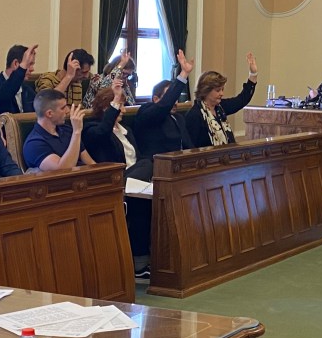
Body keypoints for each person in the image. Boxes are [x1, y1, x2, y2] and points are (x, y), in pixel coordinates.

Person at [82, 79, 151, 279]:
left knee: (148, 166)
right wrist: (114, 101)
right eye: (120, 105)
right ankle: (139, 264)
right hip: (114, 181)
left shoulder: (126, 130)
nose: (124, 110)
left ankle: (147, 261)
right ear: (107, 107)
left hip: (136, 180)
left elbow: (137, 157)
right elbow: (102, 133)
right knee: (147, 166)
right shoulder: (92, 128)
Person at [132, 49, 195, 178]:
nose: (175, 102)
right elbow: (164, 105)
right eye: (171, 98)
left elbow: (189, 146)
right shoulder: (146, 112)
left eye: (176, 99)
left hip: (182, 168)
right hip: (157, 169)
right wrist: (183, 74)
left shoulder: (178, 118)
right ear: (155, 99)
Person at [186, 53, 259, 148]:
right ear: (205, 91)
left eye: (222, 89)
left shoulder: (220, 107)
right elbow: (191, 148)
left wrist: (253, 74)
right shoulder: (194, 115)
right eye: (217, 90)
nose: (221, 93)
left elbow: (242, 99)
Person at [22, 89, 91, 171]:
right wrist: (76, 132)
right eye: (63, 108)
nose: (68, 111)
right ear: (49, 113)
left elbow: (89, 163)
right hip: (66, 178)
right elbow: (63, 170)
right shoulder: (34, 144)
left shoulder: (66, 129)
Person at [0, 43, 38, 114]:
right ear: (16, 64)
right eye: (29, 64)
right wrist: (22, 67)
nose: (32, 69)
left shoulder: (28, 90)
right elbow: (4, 96)